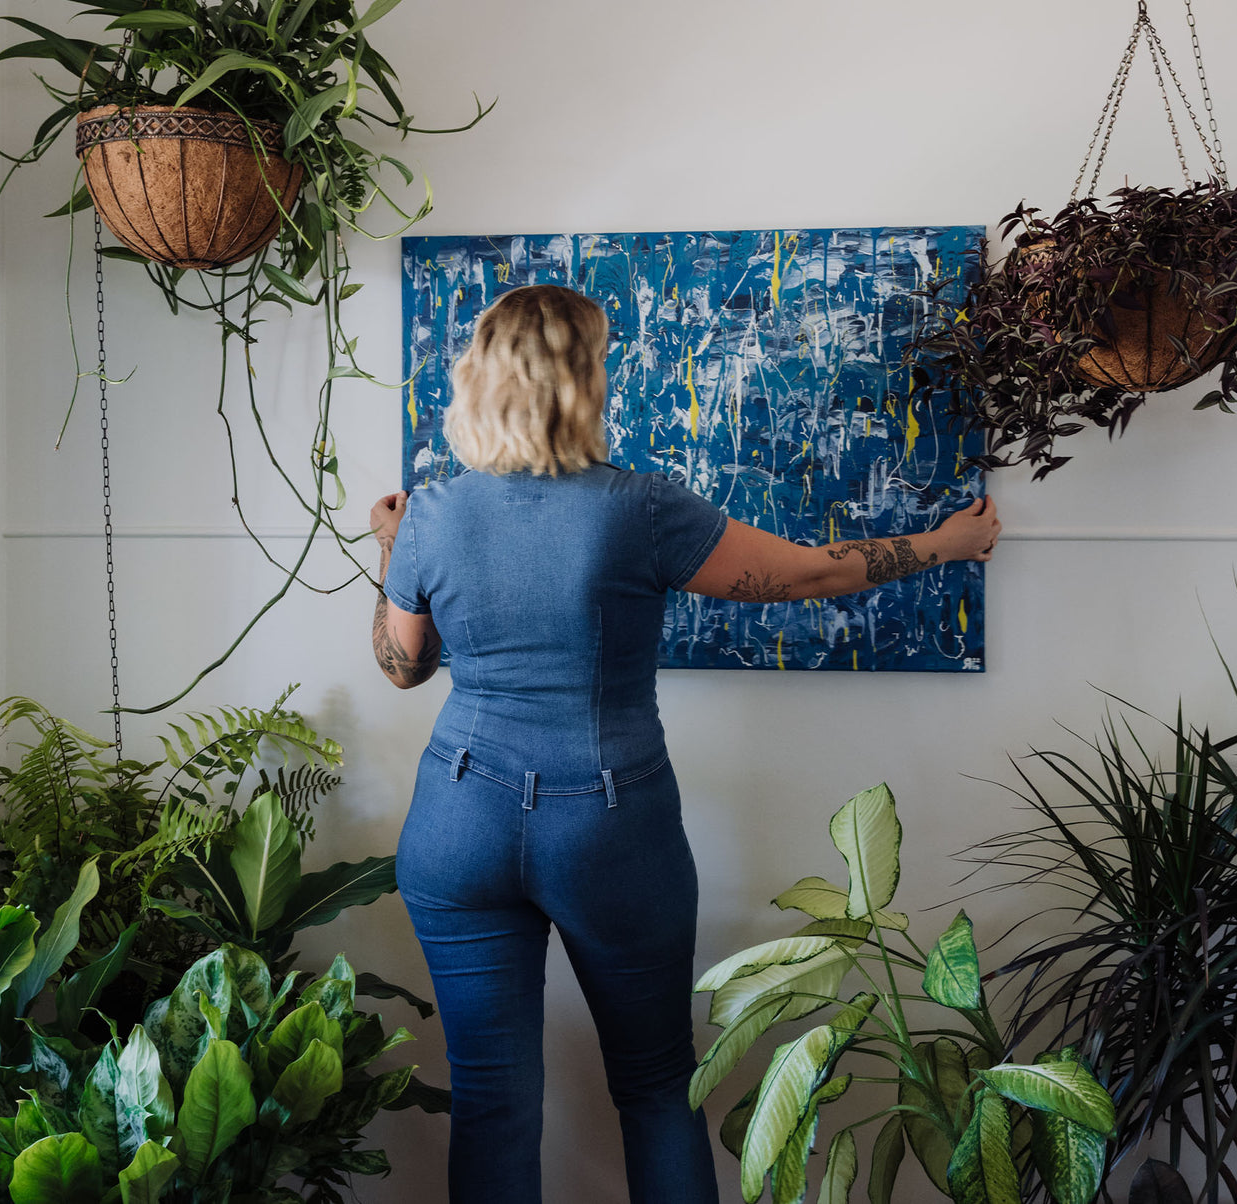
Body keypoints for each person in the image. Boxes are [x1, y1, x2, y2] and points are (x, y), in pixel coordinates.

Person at [369, 284, 1000, 1204]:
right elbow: (805, 576)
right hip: (607, 825)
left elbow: (402, 668)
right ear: (583, 383)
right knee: (658, 1087)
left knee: (492, 1098)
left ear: (478, 382)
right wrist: (942, 545)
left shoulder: (428, 514)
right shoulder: (638, 508)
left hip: (456, 819)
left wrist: (390, 548)